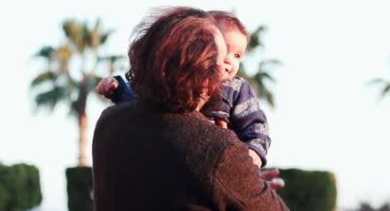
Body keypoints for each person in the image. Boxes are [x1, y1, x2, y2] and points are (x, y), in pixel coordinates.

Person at [92, 6, 288, 210]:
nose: (227, 67)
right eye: (220, 59)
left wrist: (237, 183)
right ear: (205, 75)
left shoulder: (109, 122)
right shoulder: (217, 149)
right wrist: (240, 182)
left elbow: (163, 182)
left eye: (236, 56)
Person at [97, 10, 271, 169]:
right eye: (224, 49)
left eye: (237, 56)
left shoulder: (237, 89)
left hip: (222, 164)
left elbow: (256, 127)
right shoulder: (172, 88)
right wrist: (117, 88)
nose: (229, 60)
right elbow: (141, 101)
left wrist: (251, 157)